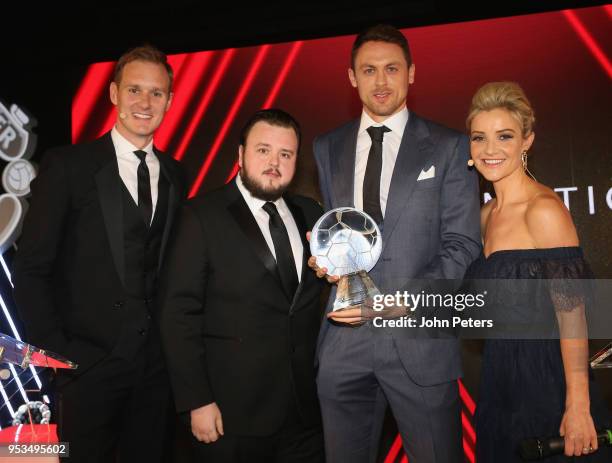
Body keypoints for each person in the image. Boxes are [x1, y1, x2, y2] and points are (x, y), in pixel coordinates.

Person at [310, 24, 481, 462]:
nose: (380, 81)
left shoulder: (449, 146)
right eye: (369, 70)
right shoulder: (327, 147)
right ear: (352, 77)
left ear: (411, 73)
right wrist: (324, 263)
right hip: (344, 341)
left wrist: (402, 300)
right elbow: (337, 232)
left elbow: (462, 245)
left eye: (391, 69)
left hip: (419, 338)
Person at [13, 45, 186, 462]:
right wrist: (61, 356)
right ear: (113, 94)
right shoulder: (69, 166)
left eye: (156, 93)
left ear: (170, 100)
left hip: (156, 372)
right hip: (87, 369)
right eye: (134, 90)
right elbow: (32, 267)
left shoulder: (178, 173)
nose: (145, 103)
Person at [158, 109, 325, 463]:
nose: (274, 163)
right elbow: (177, 315)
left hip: (305, 414)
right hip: (231, 417)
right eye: (263, 150)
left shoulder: (311, 215)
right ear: (240, 155)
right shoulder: (200, 216)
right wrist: (196, 400)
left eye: (286, 154)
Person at [465, 81, 611, 461]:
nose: (490, 150)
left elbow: (572, 317)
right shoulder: (484, 217)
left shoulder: (543, 210)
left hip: (548, 382)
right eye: (479, 138)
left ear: (527, 141)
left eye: (505, 136)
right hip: (499, 383)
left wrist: (577, 406)